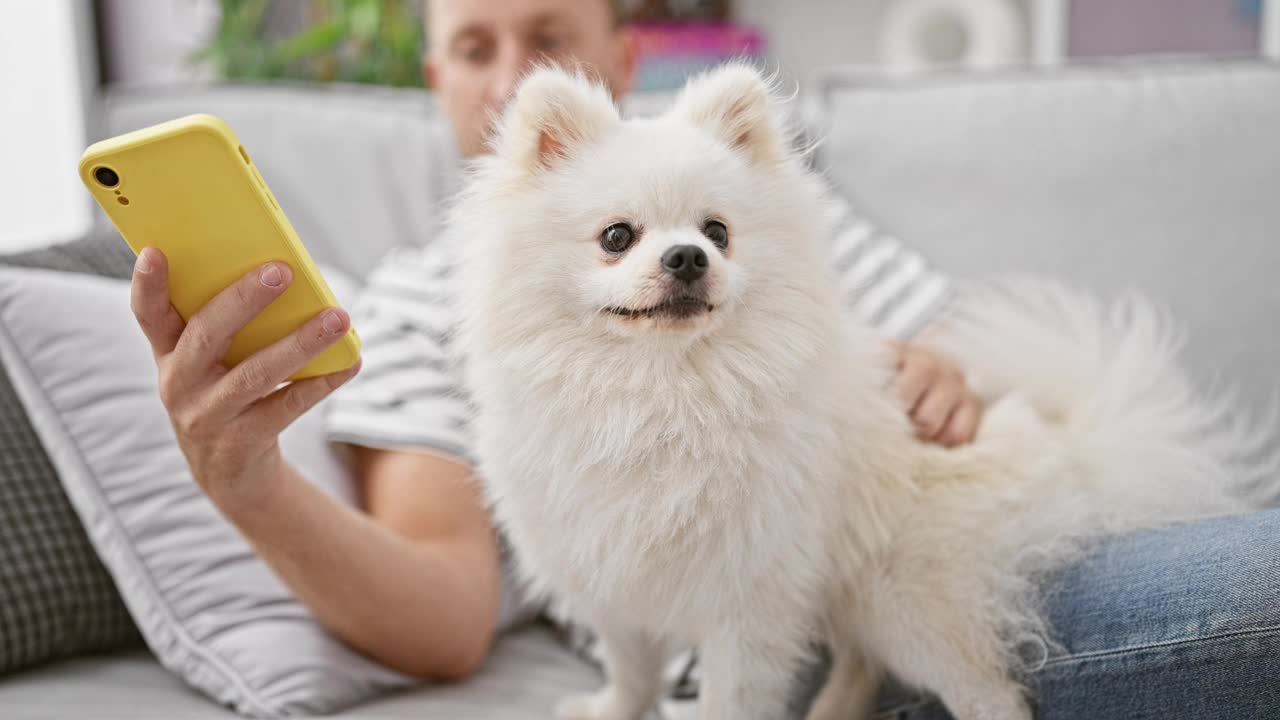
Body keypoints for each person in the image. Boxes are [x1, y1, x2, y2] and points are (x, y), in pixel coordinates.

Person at [128, 0, 1280, 718]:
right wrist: (248, 482)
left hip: (929, 552)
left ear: (620, 53)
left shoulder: (754, 198)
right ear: (434, 73)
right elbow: (445, 609)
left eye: (545, 36)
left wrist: (942, 368)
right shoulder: (417, 305)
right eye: (472, 45)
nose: (502, 73)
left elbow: (946, 364)